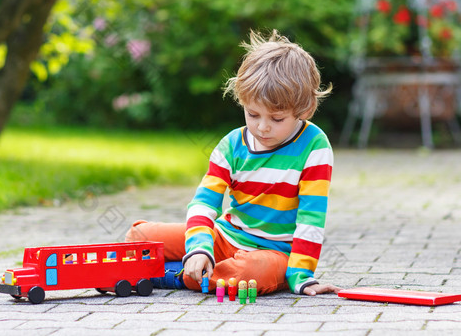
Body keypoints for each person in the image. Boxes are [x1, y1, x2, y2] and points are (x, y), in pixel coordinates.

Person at [126, 29, 340, 296]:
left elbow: (312, 217)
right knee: (142, 236)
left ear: (304, 110)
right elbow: (204, 202)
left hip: (273, 254)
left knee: (251, 274)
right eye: (253, 114)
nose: (262, 127)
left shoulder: (314, 146)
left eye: (277, 119)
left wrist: (301, 276)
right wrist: (200, 247)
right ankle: (187, 265)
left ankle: (174, 275)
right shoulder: (232, 144)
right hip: (226, 237)